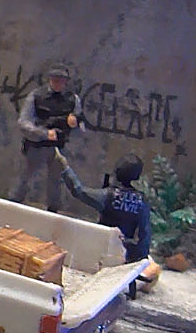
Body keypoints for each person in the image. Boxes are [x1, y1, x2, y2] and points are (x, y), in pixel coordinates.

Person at [64, 155, 161, 292]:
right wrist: (140, 260)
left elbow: (79, 191)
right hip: (125, 252)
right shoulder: (141, 201)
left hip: (102, 250)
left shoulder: (107, 195)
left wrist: (66, 169)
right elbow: (144, 234)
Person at [11, 65, 81, 212]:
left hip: (59, 147)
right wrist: (43, 133)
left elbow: (79, 119)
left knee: (56, 183)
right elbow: (23, 122)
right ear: (50, 79)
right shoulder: (36, 96)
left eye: (61, 80)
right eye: (55, 80)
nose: (58, 83)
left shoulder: (72, 99)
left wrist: (75, 122)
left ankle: (53, 211)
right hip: (37, 145)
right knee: (25, 179)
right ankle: (13, 206)